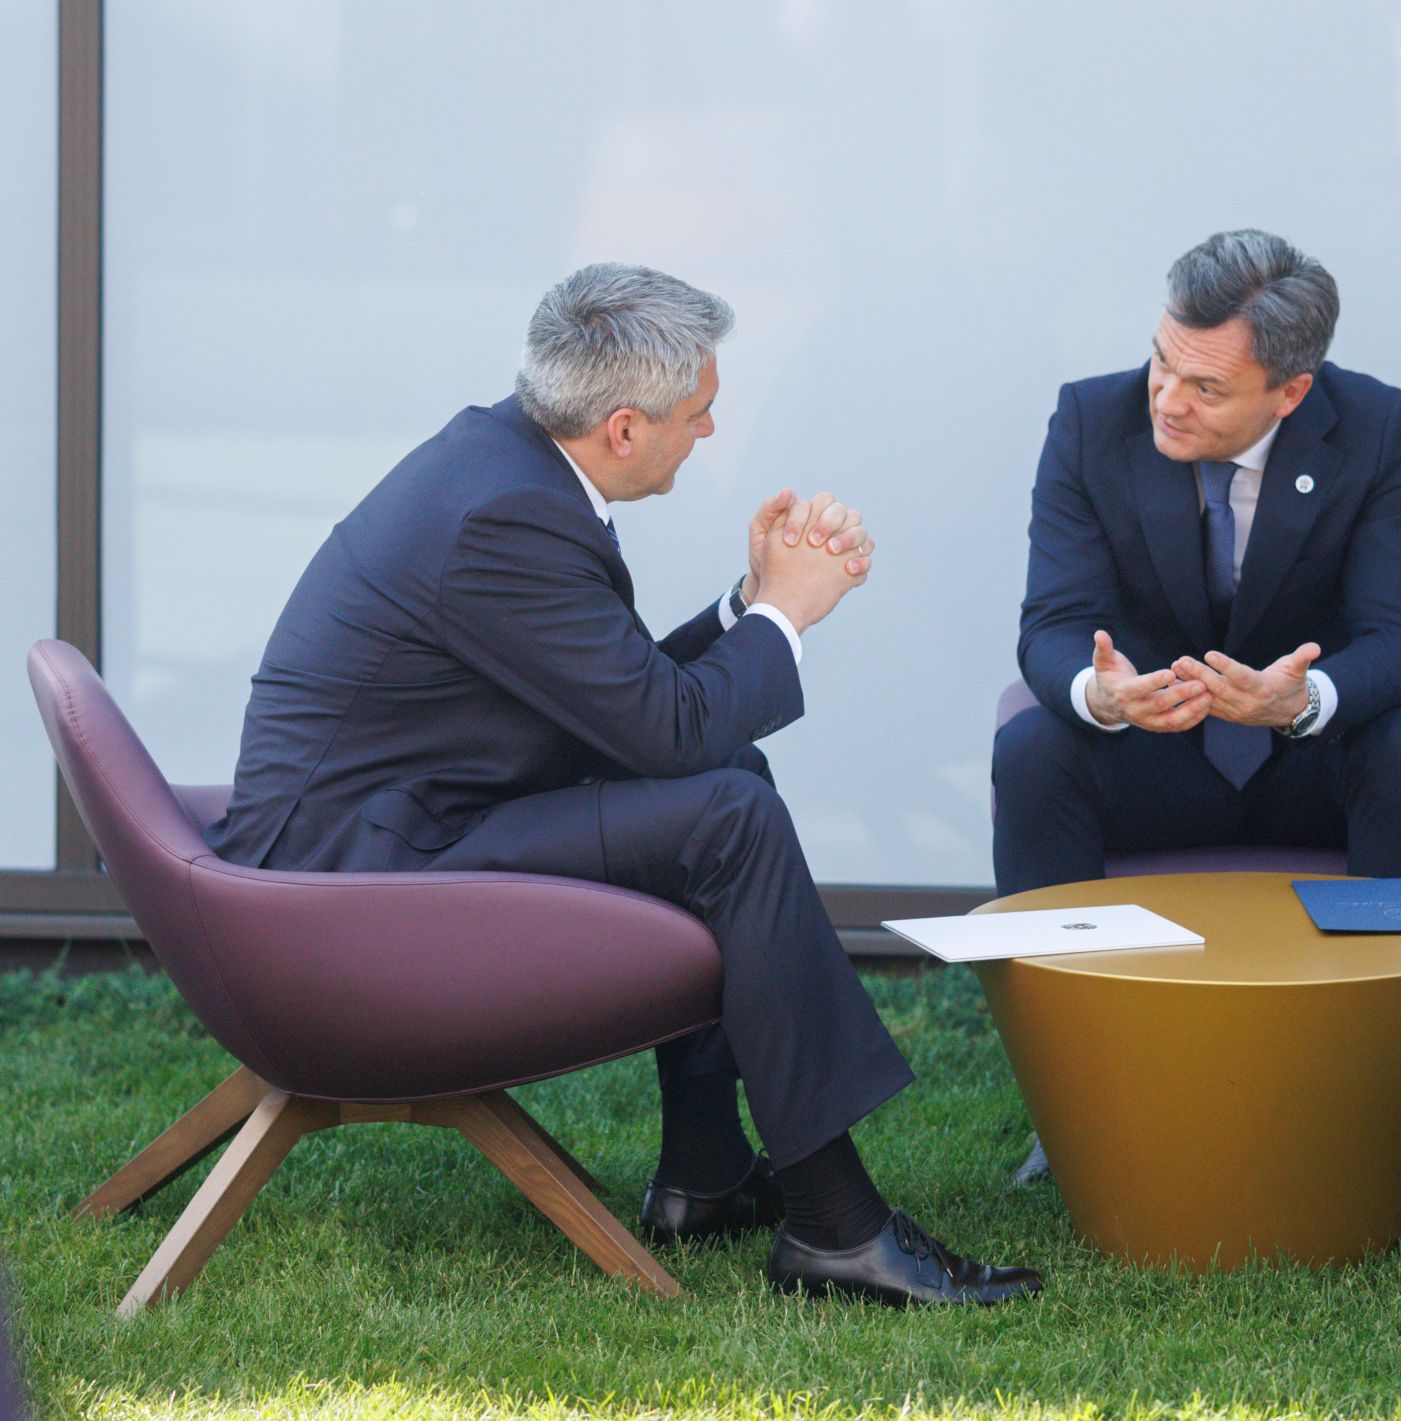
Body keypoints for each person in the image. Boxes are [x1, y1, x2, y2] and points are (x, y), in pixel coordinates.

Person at [208, 263, 1040, 1308]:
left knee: (726, 778)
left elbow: (628, 704)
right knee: (726, 812)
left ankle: (703, 1170)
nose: (707, 435)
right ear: (622, 428)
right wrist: (790, 612)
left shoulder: (508, 464)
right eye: (697, 415)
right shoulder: (503, 518)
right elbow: (662, 726)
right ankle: (837, 1224)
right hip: (345, 889)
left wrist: (745, 603)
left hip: (398, 826)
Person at [993, 230, 1401, 1180]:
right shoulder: (1091, 419)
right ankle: (1075, 1093)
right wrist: (1104, 694)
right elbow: (1051, 622)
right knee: (1034, 750)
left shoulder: (1376, 427)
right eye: (1162, 362)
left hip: (1315, 752)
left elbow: (1400, 638)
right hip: (1158, 743)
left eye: (1204, 388)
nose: (1166, 399)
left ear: (1290, 392)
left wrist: (1302, 700)